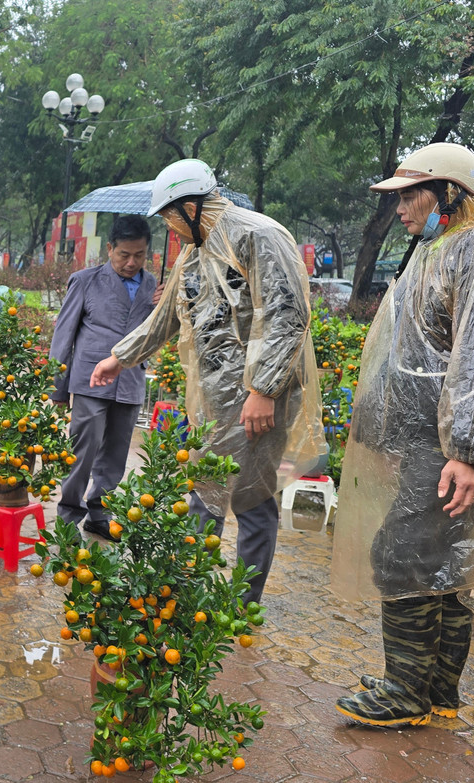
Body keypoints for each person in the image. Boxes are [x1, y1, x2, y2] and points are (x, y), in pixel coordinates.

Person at [330, 142, 474, 727]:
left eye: (412, 195)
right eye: (399, 196)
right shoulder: (446, 246)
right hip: (437, 441)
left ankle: (405, 692)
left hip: (456, 445)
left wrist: (467, 452)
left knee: (401, 555)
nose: (401, 208)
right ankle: (435, 690)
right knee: (443, 566)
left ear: (450, 194)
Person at [91, 159, 323, 605]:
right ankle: (186, 593)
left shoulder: (259, 236)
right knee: (203, 492)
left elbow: (288, 317)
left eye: (170, 217)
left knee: (252, 500)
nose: (169, 227)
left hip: (260, 400)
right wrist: (120, 358)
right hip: (215, 398)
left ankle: (242, 605)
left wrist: (263, 389)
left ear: (191, 207)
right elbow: (167, 317)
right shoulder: (194, 250)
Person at [49, 215, 159, 539]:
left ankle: (100, 514)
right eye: (124, 254)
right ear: (109, 248)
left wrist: (166, 305)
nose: (131, 262)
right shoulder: (85, 281)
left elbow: (155, 333)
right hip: (89, 381)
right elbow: (63, 336)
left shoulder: (153, 286)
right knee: (81, 453)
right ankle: (67, 518)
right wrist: (58, 388)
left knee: (115, 457)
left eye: (139, 255)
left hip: (130, 381)